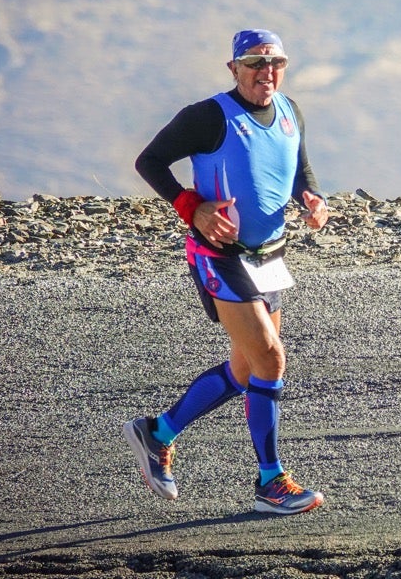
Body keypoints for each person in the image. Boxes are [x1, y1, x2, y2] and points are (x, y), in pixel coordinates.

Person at [125, 28, 330, 515]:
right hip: (220, 256)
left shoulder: (289, 110)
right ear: (233, 68)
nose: (267, 72)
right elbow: (149, 160)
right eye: (255, 63)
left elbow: (299, 166)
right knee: (270, 362)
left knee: (246, 368)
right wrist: (191, 207)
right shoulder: (208, 116)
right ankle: (270, 482)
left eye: (275, 62)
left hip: (270, 257)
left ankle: (157, 432)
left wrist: (312, 197)